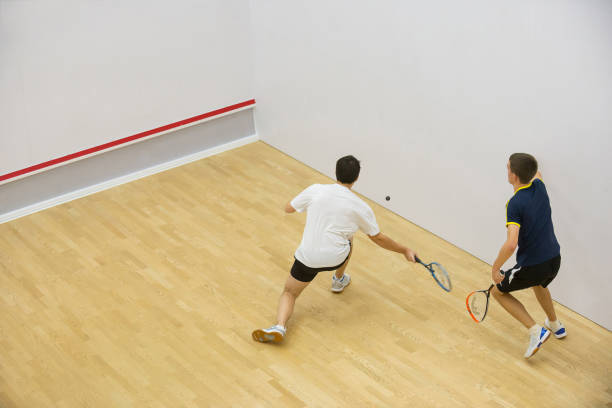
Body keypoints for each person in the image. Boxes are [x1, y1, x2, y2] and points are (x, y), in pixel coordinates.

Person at [252, 155, 417, 343]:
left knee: (290, 292)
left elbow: (288, 208)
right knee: (349, 237)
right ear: (356, 179)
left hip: (308, 257)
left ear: (335, 172)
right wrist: (404, 250)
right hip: (335, 257)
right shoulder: (361, 207)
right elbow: (378, 238)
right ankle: (338, 279)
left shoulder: (316, 190)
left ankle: (279, 327)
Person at [490, 153, 566, 359]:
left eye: (508, 168)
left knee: (497, 292)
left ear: (514, 175)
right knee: (539, 284)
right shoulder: (540, 187)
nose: (506, 170)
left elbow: (511, 243)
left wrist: (496, 268)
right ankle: (555, 325)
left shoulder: (514, 204)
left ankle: (536, 331)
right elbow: (537, 173)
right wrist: (528, 166)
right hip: (554, 258)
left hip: (534, 264)